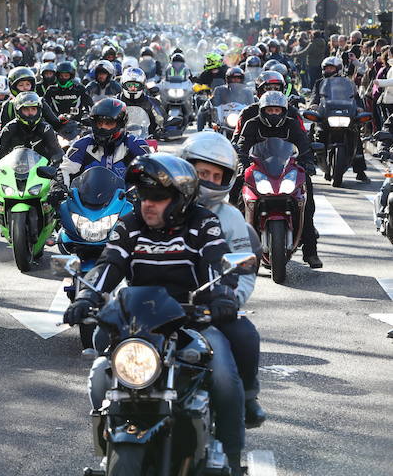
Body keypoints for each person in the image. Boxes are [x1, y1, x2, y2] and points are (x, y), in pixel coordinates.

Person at [63, 153, 246, 475]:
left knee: (224, 374)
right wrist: (85, 297)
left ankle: (230, 456)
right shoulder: (130, 223)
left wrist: (223, 296)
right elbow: (110, 263)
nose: (148, 204)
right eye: (144, 196)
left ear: (180, 199)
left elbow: (219, 261)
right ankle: (109, 444)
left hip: (192, 318)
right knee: (99, 371)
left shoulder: (202, 222)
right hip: (139, 322)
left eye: (158, 198)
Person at [180, 132, 267, 428]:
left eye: (216, 176)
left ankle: (248, 398)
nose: (208, 180)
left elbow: (244, 271)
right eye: (201, 172)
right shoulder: (160, 205)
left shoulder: (230, 218)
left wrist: (230, 299)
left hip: (212, 306)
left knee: (245, 336)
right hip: (160, 302)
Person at [236, 91, 321, 268]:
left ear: (283, 111)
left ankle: (311, 252)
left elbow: (304, 147)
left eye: (277, 110)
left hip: (287, 172)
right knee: (237, 193)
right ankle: (237, 245)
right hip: (259, 171)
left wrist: (308, 163)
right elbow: (241, 149)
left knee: (307, 203)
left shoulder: (292, 125)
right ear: (262, 110)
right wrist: (241, 165)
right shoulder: (251, 124)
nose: (274, 114)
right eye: (270, 110)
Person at [57, 98, 149, 189]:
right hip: (86, 201)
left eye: (109, 123)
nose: (103, 127)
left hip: (126, 201)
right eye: (99, 123)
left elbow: (150, 173)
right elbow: (65, 170)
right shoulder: (81, 145)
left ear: (120, 124)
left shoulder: (136, 144)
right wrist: (58, 188)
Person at [310, 56, 370, 182]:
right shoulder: (320, 82)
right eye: (326, 68)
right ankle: (307, 164)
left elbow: (355, 97)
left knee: (356, 137)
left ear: (338, 69)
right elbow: (315, 96)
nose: (328, 70)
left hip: (344, 114)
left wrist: (359, 107)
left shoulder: (347, 82)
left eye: (331, 68)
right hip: (326, 114)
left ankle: (360, 171)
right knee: (313, 131)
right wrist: (313, 105)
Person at [0, 91, 63, 165]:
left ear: (39, 110)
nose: (30, 113)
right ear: (18, 111)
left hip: (41, 171)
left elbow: (57, 151)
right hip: (15, 170)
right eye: (26, 109)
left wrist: (54, 166)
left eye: (33, 109)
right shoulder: (9, 129)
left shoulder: (46, 129)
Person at [118, 67, 164, 137]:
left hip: (146, 139)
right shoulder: (116, 101)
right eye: (129, 85)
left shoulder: (151, 102)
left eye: (136, 85)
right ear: (123, 84)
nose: (133, 88)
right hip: (120, 138)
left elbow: (161, 119)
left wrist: (161, 128)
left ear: (142, 86)